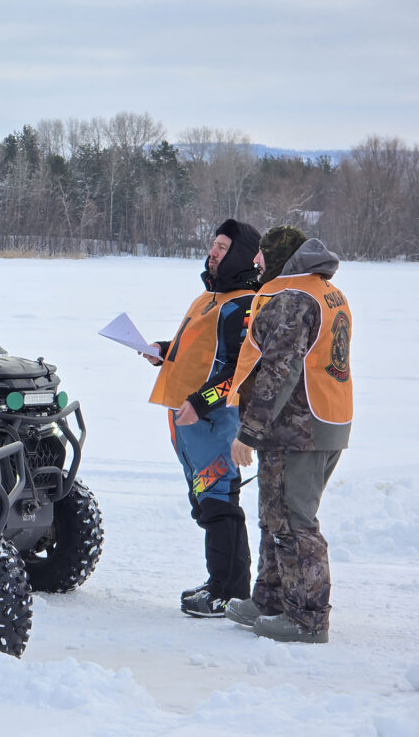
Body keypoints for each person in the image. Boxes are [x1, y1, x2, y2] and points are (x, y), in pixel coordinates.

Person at [225, 226, 352, 644]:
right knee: (274, 515)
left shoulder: (293, 299)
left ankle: (308, 619)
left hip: (300, 427)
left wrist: (249, 433)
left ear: (279, 256)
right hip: (319, 421)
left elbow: (279, 372)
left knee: (296, 522)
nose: (256, 261)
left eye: (262, 253)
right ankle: (271, 600)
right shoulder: (323, 290)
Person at [142, 219, 260, 617]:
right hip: (188, 422)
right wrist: (163, 349)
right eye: (214, 245)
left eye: (223, 247)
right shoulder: (208, 299)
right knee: (204, 501)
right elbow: (196, 349)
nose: (213, 252)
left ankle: (228, 591)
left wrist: (200, 402)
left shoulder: (242, 304)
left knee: (219, 502)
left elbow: (238, 372)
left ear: (240, 255)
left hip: (212, 422)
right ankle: (221, 582)